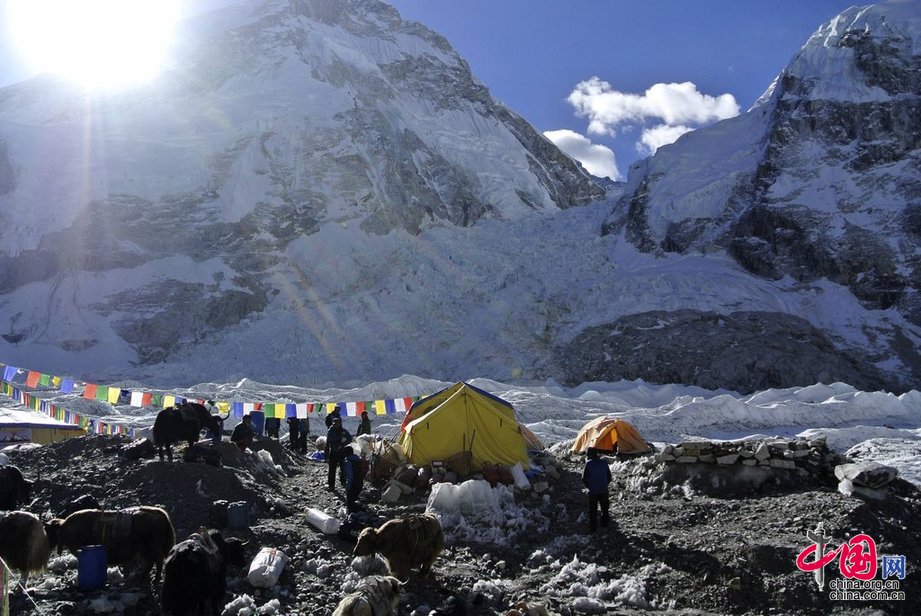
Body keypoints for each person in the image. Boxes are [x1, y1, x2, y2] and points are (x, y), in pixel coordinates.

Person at [581, 447, 612, 533]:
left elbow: (583, 478)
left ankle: (593, 528)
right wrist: (604, 485)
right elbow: (609, 477)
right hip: (604, 490)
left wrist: (589, 486)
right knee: (605, 509)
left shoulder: (588, 464)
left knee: (593, 511)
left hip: (593, 491)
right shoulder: (604, 463)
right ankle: (605, 524)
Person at [324, 416, 353, 491]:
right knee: (332, 470)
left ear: (340, 424)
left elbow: (350, 439)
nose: (336, 425)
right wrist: (340, 438)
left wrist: (344, 443)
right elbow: (329, 441)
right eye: (335, 424)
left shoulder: (343, 431)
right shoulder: (330, 431)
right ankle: (331, 485)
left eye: (337, 424)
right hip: (333, 452)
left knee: (343, 467)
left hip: (341, 452)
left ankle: (343, 481)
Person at [342, 444, 368, 513]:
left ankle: (354, 516)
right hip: (360, 482)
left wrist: (348, 486)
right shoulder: (357, 459)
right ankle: (360, 510)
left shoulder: (348, 461)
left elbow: (350, 475)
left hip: (353, 484)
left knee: (350, 503)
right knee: (354, 499)